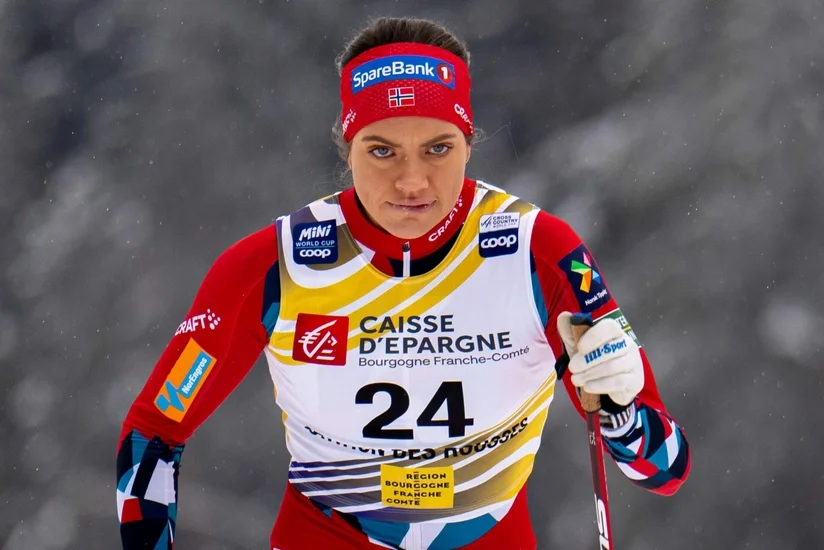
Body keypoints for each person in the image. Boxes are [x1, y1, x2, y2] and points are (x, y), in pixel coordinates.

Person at [116, 16, 691, 550]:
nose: (412, 180)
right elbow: (153, 432)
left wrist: (621, 414)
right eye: (382, 151)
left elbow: (666, 471)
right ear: (348, 150)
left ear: (469, 144)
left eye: (438, 148)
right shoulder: (275, 265)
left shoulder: (537, 252)